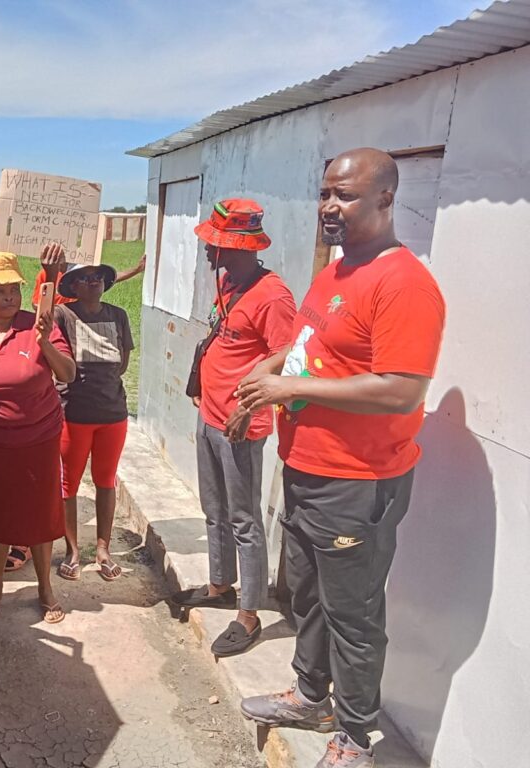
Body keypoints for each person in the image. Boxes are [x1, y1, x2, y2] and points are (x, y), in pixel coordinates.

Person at [236, 148, 446, 768]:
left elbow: (402, 387)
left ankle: (355, 737)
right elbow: (313, 344)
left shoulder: (403, 283)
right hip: (308, 469)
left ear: (386, 198)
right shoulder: (334, 270)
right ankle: (308, 695)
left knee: (352, 613)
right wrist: (271, 367)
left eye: (345, 196)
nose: (329, 207)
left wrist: (290, 387)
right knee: (305, 593)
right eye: (325, 193)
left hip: (358, 482)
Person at [168, 199, 297, 658]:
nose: (207, 253)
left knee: (244, 519)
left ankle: (249, 613)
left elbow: (289, 354)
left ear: (238, 249)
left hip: (242, 423)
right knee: (214, 508)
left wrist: (250, 400)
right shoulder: (228, 282)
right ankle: (220, 584)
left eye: (215, 246)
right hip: (211, 415)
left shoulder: (273, 295)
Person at [0, 251, 76, 623]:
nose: (10, 297)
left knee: (41, 517)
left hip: (40, 440)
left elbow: (69, 374)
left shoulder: (39, 324)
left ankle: (45, 586)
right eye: (0, 291)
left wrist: (43, 343)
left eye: (14, 289)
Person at [52, 262, 136, 584]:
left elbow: (123, 363)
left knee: (106, 480)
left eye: (98, 277)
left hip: (113, 414)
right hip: (73, 414)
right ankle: (72, 550)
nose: (94, 282)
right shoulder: (63, 315)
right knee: (67, 484)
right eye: (85, 278)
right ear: (73, 285)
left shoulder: (118, 316)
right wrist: (48, 270)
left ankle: (103, 549)